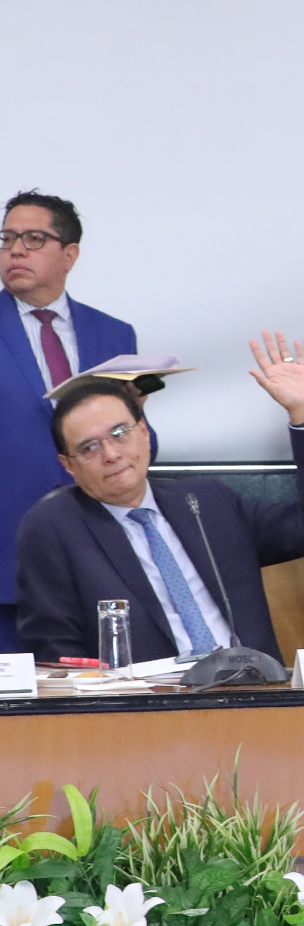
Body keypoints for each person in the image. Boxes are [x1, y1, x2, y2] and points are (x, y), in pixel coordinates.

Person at [15, 336, 304, 665]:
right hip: (146, 698)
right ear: (68, 465)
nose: (111, 454)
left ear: (144, 433)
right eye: (90, 447)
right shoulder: (55, 528)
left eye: (120, 433)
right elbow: (57, 654)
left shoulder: (207, 502)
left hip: (252, 688)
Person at [0, 191, 139, 653]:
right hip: (7, 557)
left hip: (99, 557)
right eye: (7, 238)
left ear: (69, 254)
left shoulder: (113, 334)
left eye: (33, 239)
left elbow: (139, 444)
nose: (15, 250)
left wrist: (133, 415)